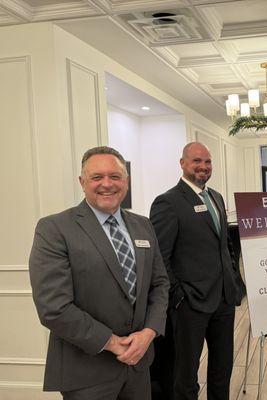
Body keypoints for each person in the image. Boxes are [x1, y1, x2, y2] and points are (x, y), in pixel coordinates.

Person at [28, 146, 169, 400]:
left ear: (125, 181)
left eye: (115, 176)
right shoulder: (54, 229)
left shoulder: (143, 225)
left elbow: (159, 284)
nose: (107, 184)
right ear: (82, 182)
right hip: (86, 372)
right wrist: (114, 343)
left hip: (138, 366)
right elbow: (53, 307)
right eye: (97, 177)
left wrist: (149, 333)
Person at [150, 142, 244, 400]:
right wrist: (178, 296)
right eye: (196, 161)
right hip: (190, 304)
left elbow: (225, 245)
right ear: (182, 163)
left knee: (222, 368)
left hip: (224, 300)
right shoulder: (167, 202)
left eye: (208, 162)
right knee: (186, 374)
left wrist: (233, 279)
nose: (203, 167)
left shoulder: (216, 197)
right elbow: (159, 258)